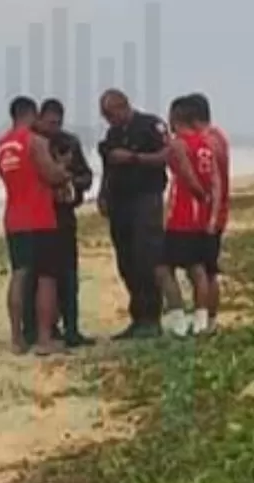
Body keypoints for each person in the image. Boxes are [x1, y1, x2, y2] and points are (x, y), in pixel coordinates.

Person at [0, 96, 70, 355]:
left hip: (14, 217)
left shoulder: (0, 146)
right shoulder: (35, 142)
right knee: (47, 278)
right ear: (33, 114)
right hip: (39, 217)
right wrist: (64, 167)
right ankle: (44, 338)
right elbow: (52, 175)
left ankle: (16, 338)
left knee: (19, 275)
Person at [97, 89, 171, 339]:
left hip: (146, 198)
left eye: (111, 114)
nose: (109, 120)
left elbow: (167, 156)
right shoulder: (113, 134)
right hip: (120, 201)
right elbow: (108, 167)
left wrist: (135, 158)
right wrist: (102, 194)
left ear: (123, 105)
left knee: (146, 257)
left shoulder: (151, 125)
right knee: (126, 261)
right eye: (105, 116)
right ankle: (138, 316)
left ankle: (152, 317)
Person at [22, 98, 96, 348]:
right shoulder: (31, 142)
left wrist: (71, 183)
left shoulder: (69, 142)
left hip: (64, 214)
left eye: (58, 122)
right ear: (40, 118)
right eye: (50, 121)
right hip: (37, 215)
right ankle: (34, 329)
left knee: (68, 275)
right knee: (35, 276)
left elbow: (86, 176)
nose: (54, 126)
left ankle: (71, 328)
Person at [158, 97, 217, 337]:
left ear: (176, 118)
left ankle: (178, 317)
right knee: (198, 269)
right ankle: (201, 319)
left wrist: (198, 193)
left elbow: (185, 173)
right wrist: (208, 204)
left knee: (162, 267)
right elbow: (212, 179)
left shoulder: (179, 144)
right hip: (200, 215)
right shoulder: (205, 143)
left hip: (182, 214)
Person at [185, 92, 229, 334]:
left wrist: (210, 216)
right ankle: (210, 320)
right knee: (209, 269)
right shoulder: (219, 137)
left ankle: (206, 321)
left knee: (201, 269)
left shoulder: (205, 142)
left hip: (207, 214)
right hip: (218, 211)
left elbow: (213, 181)